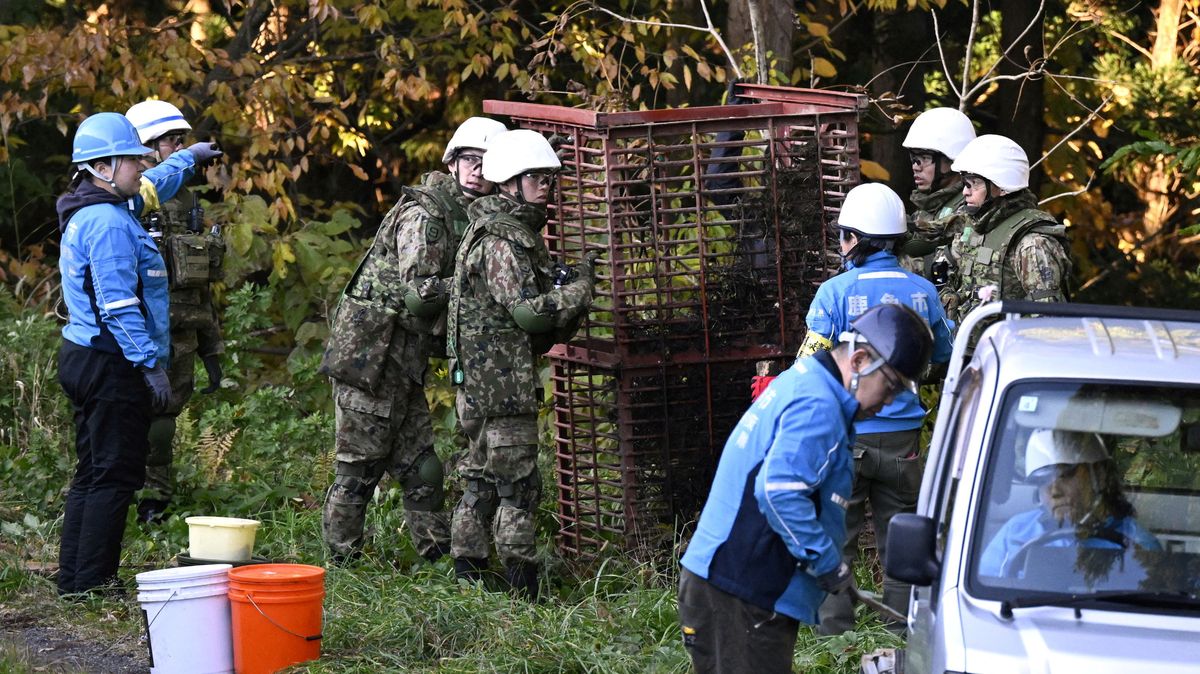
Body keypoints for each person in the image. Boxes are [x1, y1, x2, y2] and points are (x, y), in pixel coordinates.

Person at [679, 303, 935, 673]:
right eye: (891, 386)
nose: (890, 402)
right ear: (861, 360)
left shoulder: (809, 382)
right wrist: (827, 564)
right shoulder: (819, 405)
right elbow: (779, 492)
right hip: (741, 592)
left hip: (735, 588)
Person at [319, 116, 508, 564]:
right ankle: (342, 562)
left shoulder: (472, 214)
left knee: (421, 467)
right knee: (359, 466)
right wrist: (476, 283)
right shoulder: (428, 213)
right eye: (469, 160)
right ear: (453, 162)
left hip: (404, 356)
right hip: (373, 352)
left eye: (487, 163)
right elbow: (420, 294)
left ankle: (436, 556)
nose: (477, 170)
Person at [56, 112, 209, 595]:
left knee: (94, 471)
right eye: (134, 161)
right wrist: (149, 365)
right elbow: (118, 303)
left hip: (89, 355)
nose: (142, 168)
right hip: (111, 362)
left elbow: (152, 185)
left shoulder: (104, 207)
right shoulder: (107, 224)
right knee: (116, 475)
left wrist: (186, 159)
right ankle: (93, 583)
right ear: (103, 166)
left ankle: (74, 579)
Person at [792, 183, 954, 635]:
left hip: (849, 437)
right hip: (904, 441)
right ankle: (901, 630)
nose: (840, 244)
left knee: (836, 533)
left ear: (859, 239)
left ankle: (835, 634)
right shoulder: (924, 291)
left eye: (844, 235)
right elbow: (945, 354)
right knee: (901, 538)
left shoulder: (833, 292)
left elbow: (810, 364)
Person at [446, 128, 597, 598]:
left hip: (481, 380)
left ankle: (469, 579)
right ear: (510, 182)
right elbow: (528, 314)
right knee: (516, 487)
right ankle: (522, 591)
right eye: (536, 178)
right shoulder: (503, 240)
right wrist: (579, 289)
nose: (545, 187)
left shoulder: (496, 230)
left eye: (548, 179)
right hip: (500, 386)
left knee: (482, 478)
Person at [125, 99, 226, 523]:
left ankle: (154, 500)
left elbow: (198, 279)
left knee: (164, 420)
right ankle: (125, 493)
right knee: (134, 418)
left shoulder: (185, 201)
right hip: (137, 330)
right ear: (147, 146)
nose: (180, 148)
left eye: (183, 141)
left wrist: (212, 348)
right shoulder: (133, 196)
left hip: (182, 329)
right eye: (172, 141)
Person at [979, 430, 1160, 578]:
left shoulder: (1137, 542)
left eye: (1065, 475)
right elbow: (985, 598)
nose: (1055, 491)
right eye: (1043, 481)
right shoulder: (1015, 531)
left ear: (1099, 474)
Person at [941, 134, 1071, 323]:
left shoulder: (1032, 244)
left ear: (1002, 187)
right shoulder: (975, 228)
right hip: (968, 346)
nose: (965, 191)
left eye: (974, 182)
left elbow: (1046, 321)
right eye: (965, 182)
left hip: (1008, 349)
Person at [897, 107, 976, 284]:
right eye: (913, 158)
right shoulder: (931, 205)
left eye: (924, 158)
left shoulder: (970, 205)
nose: (916, 166)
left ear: (952, 160)